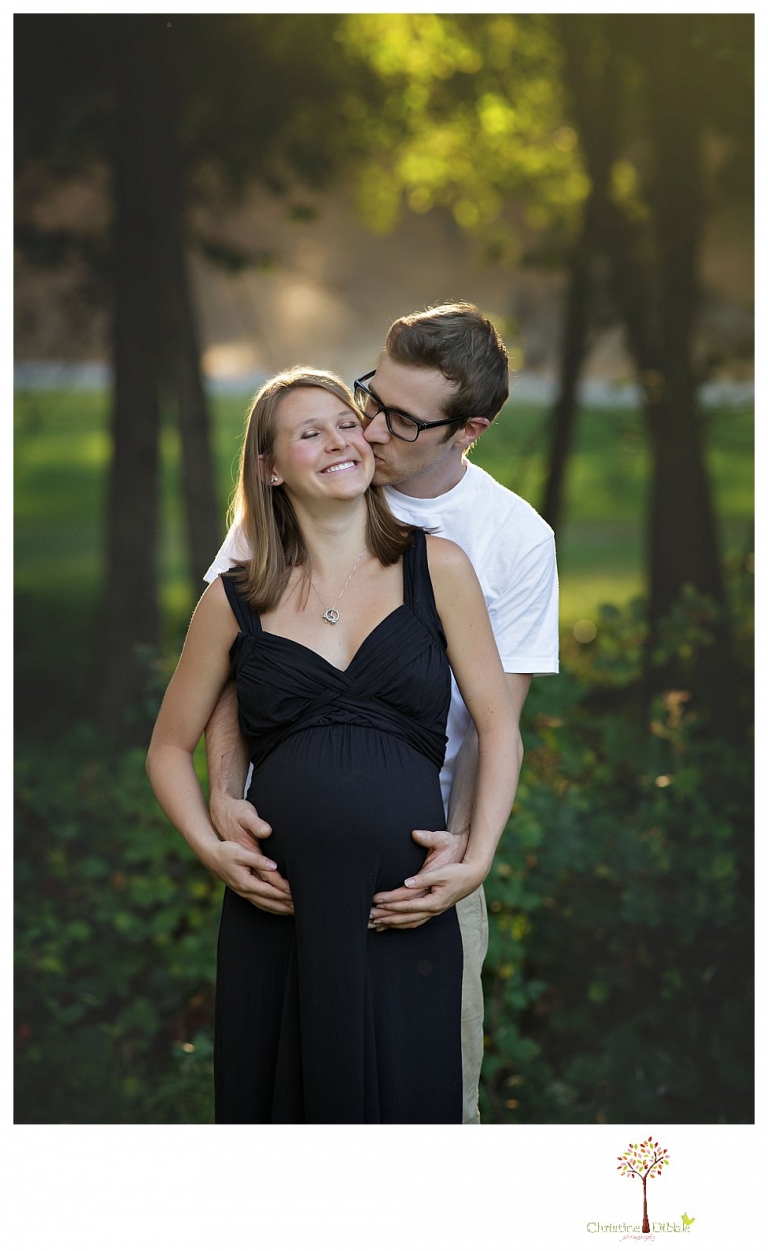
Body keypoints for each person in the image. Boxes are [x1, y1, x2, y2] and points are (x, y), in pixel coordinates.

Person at [205, 303, 559, 1123]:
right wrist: (223, 794)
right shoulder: (308, 487)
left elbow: (495, 727)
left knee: (431, 1102)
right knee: (285, 1093)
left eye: (400, 419)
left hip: (427, 865)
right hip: (288, 864)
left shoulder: (512, 539)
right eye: (371, 394)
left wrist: (463, 856)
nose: (366, 427)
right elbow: (230, 667)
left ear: (467, 432)